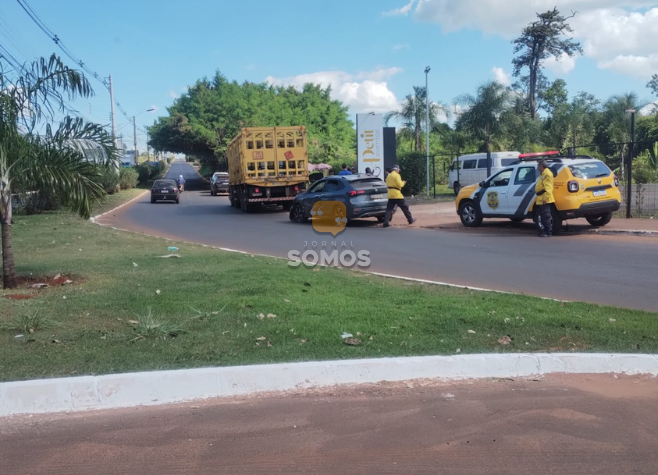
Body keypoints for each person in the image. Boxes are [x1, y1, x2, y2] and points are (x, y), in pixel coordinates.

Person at [535, 160, 555, 237]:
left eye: (538, 166)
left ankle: (548, 231)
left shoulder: (547, 174)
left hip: (544, 199)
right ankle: (545, 231)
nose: (537, 168)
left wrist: (545, 199)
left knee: (546, 216)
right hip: (541, 198)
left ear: (541, 166)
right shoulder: (543, 174)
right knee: (543, 216)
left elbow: (549, 188)